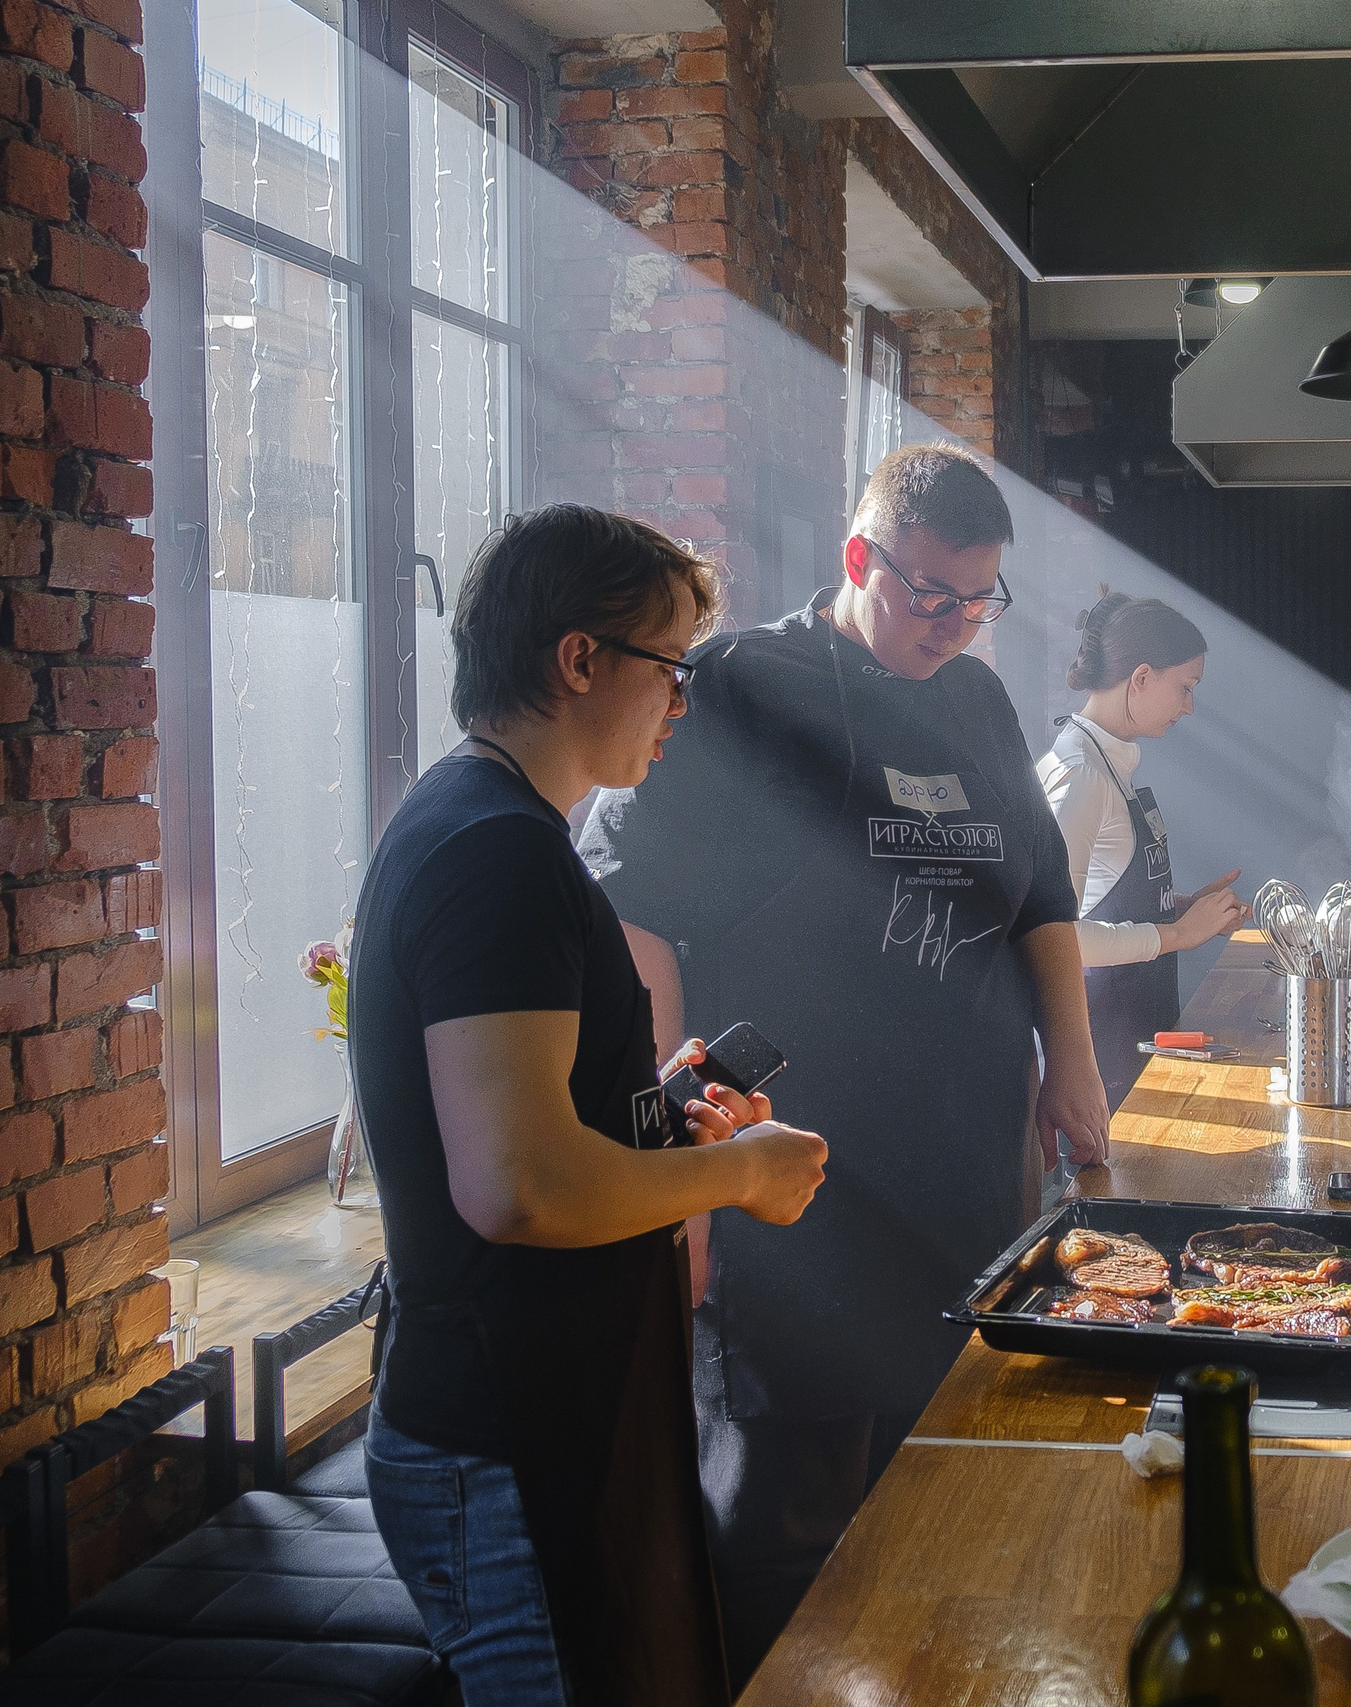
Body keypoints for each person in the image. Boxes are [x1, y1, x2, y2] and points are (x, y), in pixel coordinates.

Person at [579, 443, 1107, 1684]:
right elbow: (633, 907)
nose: (954, 622)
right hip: (789, 1184)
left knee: (946, 1486)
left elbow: (1042, 896)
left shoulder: (974, 700)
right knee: (785, 1524)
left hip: (961, 1169)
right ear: (858, 556)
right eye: (929, 593)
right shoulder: (742, 687)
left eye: (978, 599)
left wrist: (1071, 1064)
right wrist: (671, 1163)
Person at [351, 505, 829, 1705]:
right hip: (508, 1436)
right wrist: (741, 1172)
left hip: (539, 1420)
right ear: (579, 658)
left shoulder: (486, 824)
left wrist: (655, 1111)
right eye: (670, 669)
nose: (681, 704)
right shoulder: (496, 853)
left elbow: (529, 1123)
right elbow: (518, 1188)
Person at [1037, 590, 1249, 1102]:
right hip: (1096, 1052)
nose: (1189, 706)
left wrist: (1178, 907)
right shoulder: (1081, 774)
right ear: (1141, 678)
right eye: (1185, 687)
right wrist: (1179, 934)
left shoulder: (1107, 763)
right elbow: (1056, 937)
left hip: (1131, 1032)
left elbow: (1102, 891)